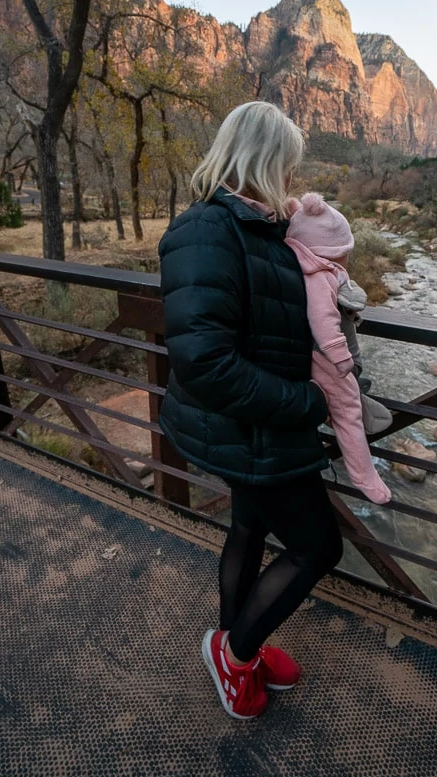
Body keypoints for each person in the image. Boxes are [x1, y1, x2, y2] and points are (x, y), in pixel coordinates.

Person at [157, 101, 343, 721]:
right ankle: (235, 656)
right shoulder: (206, 229)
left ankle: (237, 644)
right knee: (318, 548)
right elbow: (204, 361)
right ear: (263, 160)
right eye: (286, 165)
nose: (290, 180)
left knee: (248, 528)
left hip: (255, 427)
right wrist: (308, 402)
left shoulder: (257, 228)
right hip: (258, 427)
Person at [285, 193, 392, 505]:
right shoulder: (319, 276)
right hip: (324, 355)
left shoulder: (305, 264)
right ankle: (365, 476)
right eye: (346, 251)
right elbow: (323, 320)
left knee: (344, 396)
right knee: (346, 410)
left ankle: (356, 398)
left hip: (308, 355)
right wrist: (341, 359)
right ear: (332, 250)